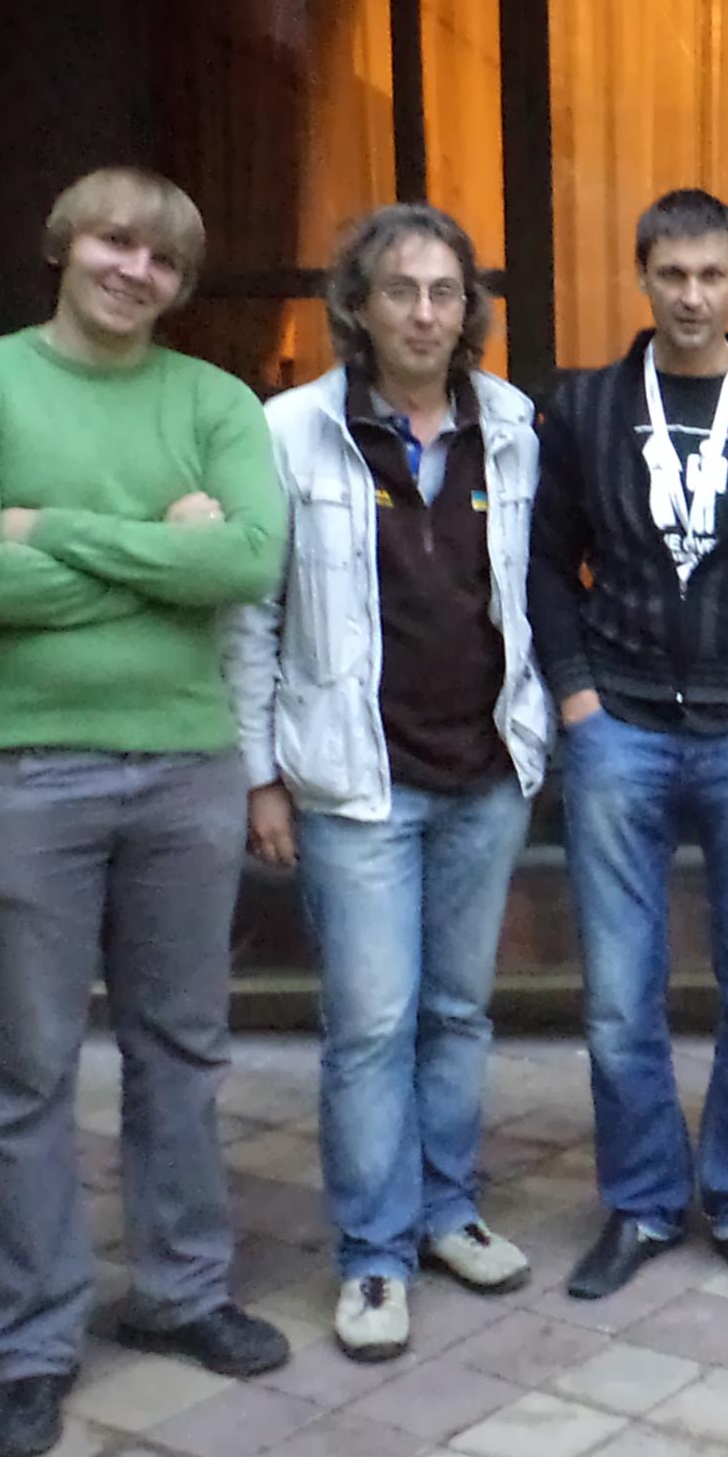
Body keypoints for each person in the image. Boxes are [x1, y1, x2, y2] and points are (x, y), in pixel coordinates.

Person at [0, 167, 292, 1457]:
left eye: (164, 259)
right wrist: (155, 553)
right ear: (65, 243)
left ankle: (181, 1289)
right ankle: (30, 1340)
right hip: (19, 771)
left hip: (184, 768)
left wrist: (46, 530)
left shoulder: (213, 401)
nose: (137, 271)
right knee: (25, 1068)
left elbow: (246, 560)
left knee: (181, 1047)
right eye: (117, 242)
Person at [224, 203, 551, 1362]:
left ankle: (446, 1208)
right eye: (400, 290)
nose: (423, 311)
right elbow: (251, 615)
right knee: (370, 1022)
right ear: (357, 306)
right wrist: (260, 774)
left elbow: (530, 590)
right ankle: (373, 1250)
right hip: (353, 779)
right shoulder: (290, 431)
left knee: (458, 1009)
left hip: (484, 769)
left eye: (443, 291)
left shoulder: (512, 424)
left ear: (469, 310)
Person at [529, 188, 728, 1307]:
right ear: (642, 276)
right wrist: (576, 698)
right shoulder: (587, 407)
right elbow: (545, 563)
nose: (693, 296)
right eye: (672, 274)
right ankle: (643, 1201)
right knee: (621, 998)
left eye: (712, 275)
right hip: (619, 723)